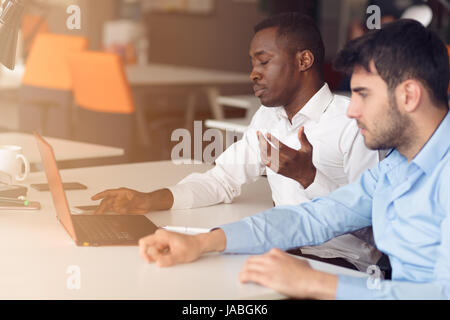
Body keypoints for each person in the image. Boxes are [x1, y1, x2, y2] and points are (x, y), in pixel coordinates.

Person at [138, 19, 450, 299]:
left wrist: (315, 283)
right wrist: (203, 243)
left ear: (408, 96)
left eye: (364, 94)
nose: (353, 110)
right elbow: (312, 217)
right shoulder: (397, 168)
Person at [92, 13, 380, 271]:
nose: (253, 73)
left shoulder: (352, 123)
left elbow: (374, 225)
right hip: (285, 250)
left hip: (343, 264)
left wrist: (310, 178)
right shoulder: (268, 118)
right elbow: (223, 179)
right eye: (253, 63)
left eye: (264, 62)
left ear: (304, 61)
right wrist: (148, 199)